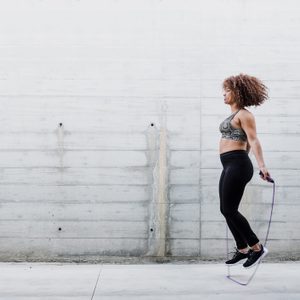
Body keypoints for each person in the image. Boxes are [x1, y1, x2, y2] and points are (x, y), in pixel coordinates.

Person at [219, 73, 271, 268]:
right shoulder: (233, 116)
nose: (224, 94)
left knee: (230, 209)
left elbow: (253, 140)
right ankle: (242, 249)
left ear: (238, 92)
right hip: (229, 164)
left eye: (228, 90)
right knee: (225, 209)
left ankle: (257, 248)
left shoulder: (245, 114)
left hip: (238, 164)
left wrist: (262, 166)